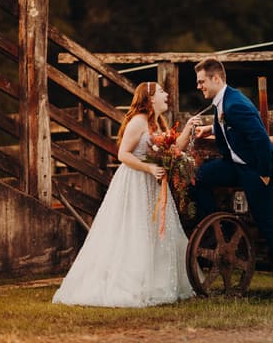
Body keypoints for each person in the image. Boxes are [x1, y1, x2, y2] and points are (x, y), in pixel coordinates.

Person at [53, 81, 199, 307]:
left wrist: (188, 127)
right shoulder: (138, 121)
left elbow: (172, 151)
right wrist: (149, 168)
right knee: (135, 230)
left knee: (156, 233)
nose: (166, 94)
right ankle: (131, 284)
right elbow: (123, 154)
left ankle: (159, 283)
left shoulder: (159, 123)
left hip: (154, 183)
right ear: (150, 98)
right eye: (161, 92)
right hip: (135, 182)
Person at [192, 58, 273, 300]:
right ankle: (222, 230)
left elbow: (260, 139)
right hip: (235, 165)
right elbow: (230, 128)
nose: (198, 86)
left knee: (267, 223)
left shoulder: (235, 103)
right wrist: (209, 129)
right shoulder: (222, 101)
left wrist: (265, 174)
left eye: (201, 81)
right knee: (201, 177)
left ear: (216, 79)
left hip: (255, 169)